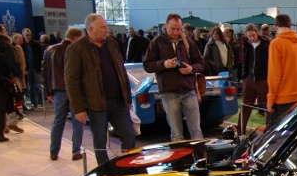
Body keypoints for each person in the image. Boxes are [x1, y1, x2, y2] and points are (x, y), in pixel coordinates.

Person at [65, 13, 135, 165]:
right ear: (90, 28)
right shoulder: (76, 49)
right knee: (100, 142)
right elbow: (71, 81)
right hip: (96, 104)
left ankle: (126, 167)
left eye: (106, 27)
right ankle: (105, 173)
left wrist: (127, 98)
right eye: (103, 27)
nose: (107, 30)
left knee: (129, 135)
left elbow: (121, 71)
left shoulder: (112, 44)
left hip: (119, 102)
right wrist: (79, 108)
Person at [143, 13, 206, 142]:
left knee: (197, 132)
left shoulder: (188, 43)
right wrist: (164, 64)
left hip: (189, 90)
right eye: (173, 28)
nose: (176, 32)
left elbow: (201, 63)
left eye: (179, 29)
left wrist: (191, 68)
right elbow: (147, 65)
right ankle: (181, 160)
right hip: (169, 93)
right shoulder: (156, 43)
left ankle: (200, 158)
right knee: (176, 134)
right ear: (166, 26)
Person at [43, 27, 85, 160]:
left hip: (58, 90)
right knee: (77, 121)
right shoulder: (76, 50)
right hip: (74, 90)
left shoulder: (50, 49)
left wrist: (48, 91)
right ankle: (76, 151)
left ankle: (54, 152)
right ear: (76, 37)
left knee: (58, 121)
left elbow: (45, 71)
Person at [267, 14, 297, 121]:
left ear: (276, 26)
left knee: (276, 136)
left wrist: (270, 99)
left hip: (282, 99)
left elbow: (274, 75)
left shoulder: (276, 44)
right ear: (290, 25)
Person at [236, 23, 270, 134]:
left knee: (267, 106)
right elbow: (244, 62)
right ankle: (241, 131)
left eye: (253, 35)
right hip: (249, 79)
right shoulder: (246, 45)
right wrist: (243, 77)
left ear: (258, 33)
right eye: (249, 36)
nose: (252, 38)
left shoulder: (266, 44)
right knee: (246, 105)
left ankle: (269, 131)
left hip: (263, 80)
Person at [21, 28, 44, 110]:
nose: (28, 37)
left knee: (39, 86)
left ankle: (40, 102)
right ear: (23, 35)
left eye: (29, 35)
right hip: (27, 69)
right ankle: (31, 103)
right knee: (29, 87)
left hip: (36, 68)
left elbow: (41, 57)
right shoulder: (22, 46)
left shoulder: (36, 45)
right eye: (26, 35)